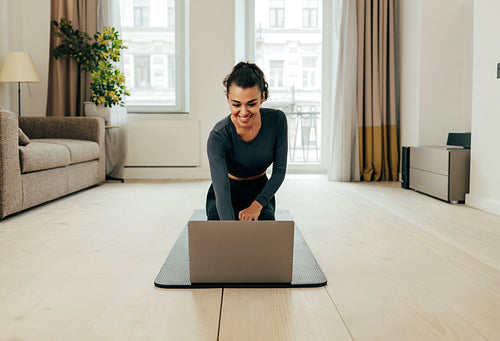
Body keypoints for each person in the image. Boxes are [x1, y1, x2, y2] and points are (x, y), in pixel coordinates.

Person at [206, 62, 288, 221]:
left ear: (262, 97)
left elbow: (279, 171)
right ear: (228, 99)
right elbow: (221, 191)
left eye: (251, 104)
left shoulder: (277, 121)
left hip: (260, 192)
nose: (243, 112)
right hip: (225, 193)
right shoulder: (218, 136)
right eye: (236, 104)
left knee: (266, 234)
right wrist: (230, 230)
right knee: (219, 236)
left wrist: (257, 205)